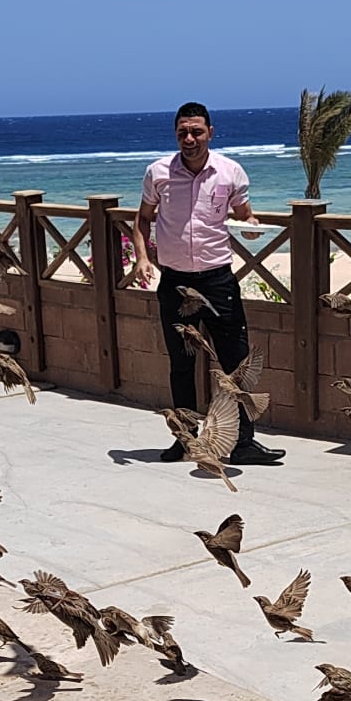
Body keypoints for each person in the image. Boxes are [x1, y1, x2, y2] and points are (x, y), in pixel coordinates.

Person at [130, 103, 284, 465]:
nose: (189, 139)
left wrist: (252, 227)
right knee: (181, 364)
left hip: (218, 281)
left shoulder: (230, 172)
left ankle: (244, 443)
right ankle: (185, 441)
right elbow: (142, 219)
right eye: (182, 132)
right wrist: (141, 257)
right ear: (175, 134)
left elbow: (245, 216)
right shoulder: (158, 172)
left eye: (196, 131)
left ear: (210, 133)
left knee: (235, 364)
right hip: (176, 284)